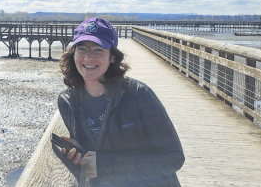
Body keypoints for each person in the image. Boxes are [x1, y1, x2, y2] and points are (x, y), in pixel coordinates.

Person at [57, 17, 185, 187]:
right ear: (73, 54)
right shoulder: (67, 101)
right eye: (81, 49)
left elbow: (173, 157)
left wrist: (105, 165)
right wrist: (76, 157)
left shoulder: (139, 95)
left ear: (112, 57)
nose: (88, 57)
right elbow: (90, 164)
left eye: (98, 49)